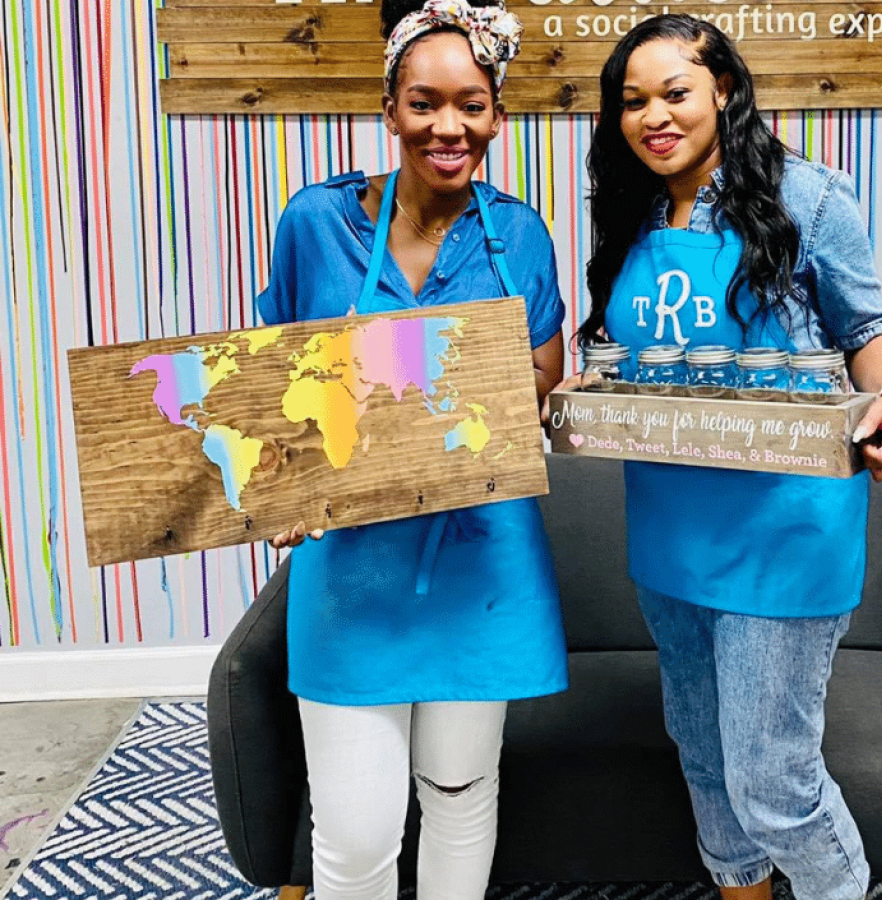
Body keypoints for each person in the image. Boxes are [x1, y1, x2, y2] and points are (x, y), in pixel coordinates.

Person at [576, 15, 882, 900]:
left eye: (675, 92)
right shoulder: (629, 210)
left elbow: (869, 334)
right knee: (705, 758)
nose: (654, 115)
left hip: (783, 529)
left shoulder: (809, 197)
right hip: (671, 529)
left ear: (724, 90)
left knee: (772, 786)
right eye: (633, 101)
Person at [255, 1, 568, 898]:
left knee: (461, 793)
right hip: (352, 569)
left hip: (484, 563)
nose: (449, 126)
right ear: (389, 109)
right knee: (354, 834)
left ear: (496, 117)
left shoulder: (521, 235)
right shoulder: (315, 224)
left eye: (471, 104)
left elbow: (543, 368)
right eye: (425, 103)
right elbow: (274, 379)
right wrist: (278, 488)